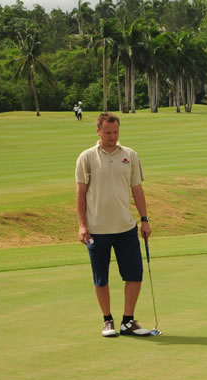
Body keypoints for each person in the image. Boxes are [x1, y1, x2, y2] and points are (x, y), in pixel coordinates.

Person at [76, 112, 153, 337]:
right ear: (98, 132)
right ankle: (107, 320)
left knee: (134, 275)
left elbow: (137, 189)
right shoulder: (87, 157)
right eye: (108, 132)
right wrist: (82, 225)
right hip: (96, 229)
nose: (112, 136)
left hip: (125, 227)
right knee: (101, 277)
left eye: (115, 132)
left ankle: (128, 321)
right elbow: (80, 193)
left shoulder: (130, 155)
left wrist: (145, 219)